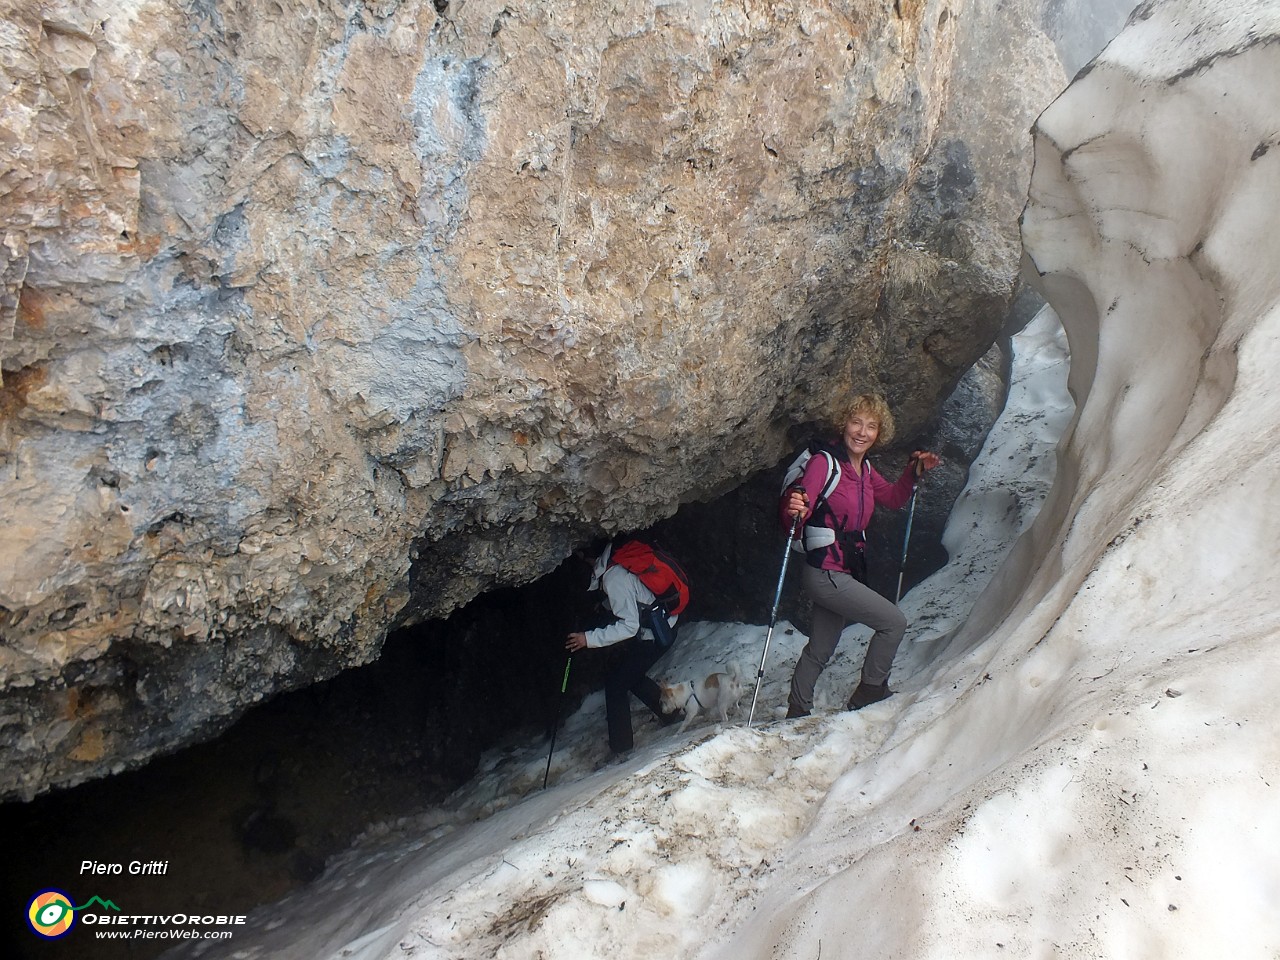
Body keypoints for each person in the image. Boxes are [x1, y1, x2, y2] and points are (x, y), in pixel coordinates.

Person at [781, 393, 940, 717]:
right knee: (894, 622)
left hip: (842, 570)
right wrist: (794, 505)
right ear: (844, 425)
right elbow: (800, 504)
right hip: (825, 572)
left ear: (879, 433)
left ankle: (797, 710)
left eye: (871, 426)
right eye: (857, 422)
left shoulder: (865, 470)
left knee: (820, 649)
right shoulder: (823, 463)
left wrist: (913, 472)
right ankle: (870, 690)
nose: (862, 432)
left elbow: (894, 498)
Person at [566, 541, 684, 761]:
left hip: (658, 633)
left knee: (616, 684)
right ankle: (670, 711)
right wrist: (603, 608)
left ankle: (622, 749)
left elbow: (629, 626)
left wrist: (587, 639)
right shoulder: (616, 563)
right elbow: (634, 597)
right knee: (628, 675)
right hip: (664, 624)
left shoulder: (613, 580)